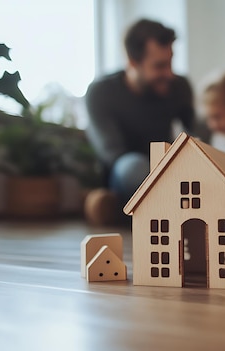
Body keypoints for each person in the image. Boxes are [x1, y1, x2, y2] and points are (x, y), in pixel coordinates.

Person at [84, 19, 194, 225]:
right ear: (133, 63)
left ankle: (144, 213)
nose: (169, 74)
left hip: (168, 168)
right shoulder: (101, 93)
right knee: (134, 167)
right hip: (127, 174)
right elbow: (113, 154)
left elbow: (195, 133)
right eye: (160, 66)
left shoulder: (179, 87)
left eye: (170, 62)